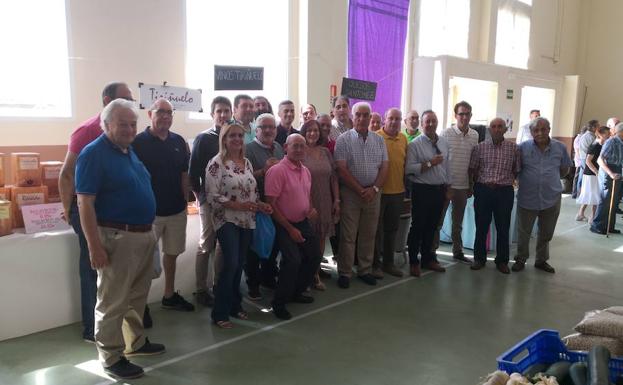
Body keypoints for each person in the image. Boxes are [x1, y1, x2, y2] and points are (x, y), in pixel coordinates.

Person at [75, 99, 165, 380]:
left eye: (132, 124)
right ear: (106, 125)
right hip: (117, 237)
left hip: (142, 234)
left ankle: (134, 343)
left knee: (136, 297)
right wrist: (94, 246)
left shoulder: (128, 151)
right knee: (112, 301)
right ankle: (111, 357)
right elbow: (84, 204)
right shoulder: (93, 153)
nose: (129, 128)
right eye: (122, 124)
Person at [58, 81, 134, 342]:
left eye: (131, 100)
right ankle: (92, 328)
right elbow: (67, 173)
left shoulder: (124, 134)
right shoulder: (88, 131)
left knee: (113, 272)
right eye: (123, 99)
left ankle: (117, 325)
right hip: (90, 213)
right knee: (92, 269)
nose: (128, 103)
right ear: (106, 101)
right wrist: (70, 212)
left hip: (114, 217)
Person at [205, 123, 272, 329]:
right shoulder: (216, 163)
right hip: (227, 220)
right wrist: (237, 205)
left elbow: (252, 191)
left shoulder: (247, 162)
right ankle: (220, 312)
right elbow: (212, 195)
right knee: (231, 264)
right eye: (232, 136)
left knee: (239, 263)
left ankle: (235, 305)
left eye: (240, 136)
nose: (236, 139)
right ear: (224, 139)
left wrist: (260, 205)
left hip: (247, 219)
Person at [133, 98, 194, 311]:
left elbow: (184, 174)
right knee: (144, 262)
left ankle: (169, 295)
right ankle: (141, 305)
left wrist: (185, 201)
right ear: (150, 114)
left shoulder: (178, 141)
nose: (166, 116)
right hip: (150, 214)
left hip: (176, 210)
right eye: (161, 112)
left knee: (172, 253)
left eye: (169, 112)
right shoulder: (138, 143)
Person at [265, 134, 322, 320]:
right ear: (285, 147)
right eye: (295, 146)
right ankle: (279, 303)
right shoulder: (277, 171)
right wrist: (290, 229)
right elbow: (271, 204)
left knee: (314, 256)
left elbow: (307, 194)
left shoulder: (305, 170)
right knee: (292, 261)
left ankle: (295, 292)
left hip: (302, 222)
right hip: (283, 224)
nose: (299, 149)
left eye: (302, 146)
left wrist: (311, 208)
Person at [334, 102, 389, 288]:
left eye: (366, 115)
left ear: (371, 117)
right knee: (348, 235)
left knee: (368, 234)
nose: (362, 118)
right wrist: (360, 190)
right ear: (352, 115)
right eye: (358, 114)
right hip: (351, 194)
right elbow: (341, 169)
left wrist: (373, 189)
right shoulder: (343, 140)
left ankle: (365, 269)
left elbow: (385, 167)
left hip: (373, 193)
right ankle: (345, 272)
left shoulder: (379, 140)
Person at [188, 96, 233, 307]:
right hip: (208, 201)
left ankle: (218, 286)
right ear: (212, 114)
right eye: (219, 111)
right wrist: (201, 198)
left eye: (226, 111)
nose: (223, 115)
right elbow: (193, 173)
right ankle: (200, 289)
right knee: (206, 244)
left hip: (230, 202)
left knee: (223, 245)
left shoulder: (233, 137)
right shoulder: (203, 139)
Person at [513, 117, 572, 273]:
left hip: (551, 197)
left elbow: (564, 170)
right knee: (524, 232)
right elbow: (516, 170)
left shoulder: (560, 147)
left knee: (546, 232)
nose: (540, 133)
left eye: (543, 129)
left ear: (549, 129)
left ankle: (541, 260)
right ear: (531, 132)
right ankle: (521, 258)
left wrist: (549, 180)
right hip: (528, 196)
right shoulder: (522, 148)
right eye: (536, 130)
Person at [469, 118, 520, 274]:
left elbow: (516, 170)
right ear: (489, 129)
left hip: (504, 192)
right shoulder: (479, 148)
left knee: (503, 228)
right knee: (481, 226)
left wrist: (502, 182)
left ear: (505, 129)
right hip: (483, 191)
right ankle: (479, 258)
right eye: (494, 127)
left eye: (500, 127)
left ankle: (502, 261)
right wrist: (482, 184)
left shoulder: (514, 149)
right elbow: (473, 169)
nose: (497, 129)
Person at [244, 113, 284, 300]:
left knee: (273, 244)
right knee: (254, 248)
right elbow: (242, 179)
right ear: (256, 130)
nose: (268, 130)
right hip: (255, 207)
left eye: (272, 127)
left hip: (275, 206)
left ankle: (268, 278)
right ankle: (253, 284)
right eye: (263, 127)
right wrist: (263, 171)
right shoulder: (247, 149)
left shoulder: (278, 148)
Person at [405, 110, 449, 277]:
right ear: (422, 125)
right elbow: (409, 169)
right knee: (418, 227)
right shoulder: (415, 144)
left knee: (432, 226)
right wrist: (430, 163)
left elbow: (447, 166)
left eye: (433, 121)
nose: (430, 124)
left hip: (439, 190)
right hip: (422, 190)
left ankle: (427, 259)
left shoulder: (444, 143)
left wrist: (449, 186)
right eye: (427, 122)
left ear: (437, 122)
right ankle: (414, 262)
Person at [299, 119, 340, 289]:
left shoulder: (325, 152)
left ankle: (315, 274)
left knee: (321, 238)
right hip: (305, 201)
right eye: (309, 130)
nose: (313, 133)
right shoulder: (299, 151)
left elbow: (333, 178)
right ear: (304, 132)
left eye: (316, 130)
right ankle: (304, 275)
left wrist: (337, 200)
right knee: (306, 239)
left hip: (325, 200)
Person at [436, 101, 479, 263]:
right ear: (455, 115)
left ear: (471, 116)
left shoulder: (475, 135)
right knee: (438, 221)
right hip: (446, 185)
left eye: (467, 114)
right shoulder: (445, 133)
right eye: (461, 114)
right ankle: (431, 252)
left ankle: (457, 250)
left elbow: (473, 163)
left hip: (463, 186)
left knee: (458, 222)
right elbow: (441, 160)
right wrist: (445, 185)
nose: (464, 117)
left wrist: (471, 185)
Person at [373, 108, 407, 278]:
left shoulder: (403, 139)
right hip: (379, 192)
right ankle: (375, 265)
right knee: (375, 230)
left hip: (397, 192)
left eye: (398, 119)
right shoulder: (376, 137)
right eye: (391, 118)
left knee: (391, 230)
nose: (394, 122)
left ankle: (388, 263)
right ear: (385, 120)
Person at [591, 123, 623, 235]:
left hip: (618, 171)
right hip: (608, 173)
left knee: (614, 202)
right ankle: (596, 226)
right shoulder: (611, 142)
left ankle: (609, 226)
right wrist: (611, 174)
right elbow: (600, 160)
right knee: (605, 201)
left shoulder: (621, 143)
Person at [577, 126, 610, 223]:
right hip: (591, 174)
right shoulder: (595, 145)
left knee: (591, 195)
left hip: (595, 173)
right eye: (607, 134)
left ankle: (581, 214)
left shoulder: (601, 145)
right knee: (594, 195)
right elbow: (588, 161)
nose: (609, 135)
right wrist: (596, 172)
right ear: (600, 134)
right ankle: (592, 217)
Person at [576, 120, 600, 199]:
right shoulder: (591, 137)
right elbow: (592, 150)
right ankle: (582, 195)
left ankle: (579, 194)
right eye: (598, 126)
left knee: (581, 176)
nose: (599, 128)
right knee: (584, 178)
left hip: (583, 157)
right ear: (593, 127)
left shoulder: (586, 135)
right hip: (587, 158)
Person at [571, 126, 588, 199]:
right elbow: (578, 151)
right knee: (578, 177)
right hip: (579, 160)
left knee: (578, 177)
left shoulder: (581, 138)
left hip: (580, 160)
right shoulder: (579, 138)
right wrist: (581, 161)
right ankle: (575, 193)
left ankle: (576, 193)